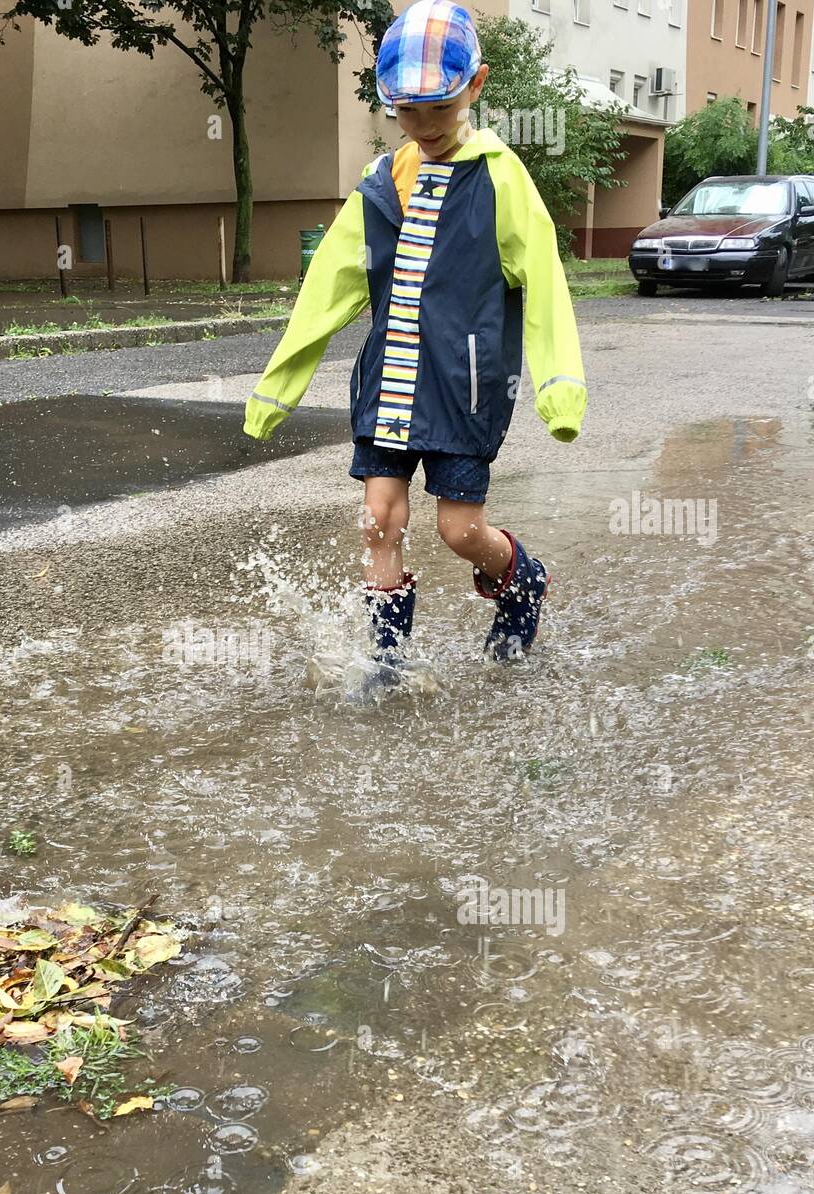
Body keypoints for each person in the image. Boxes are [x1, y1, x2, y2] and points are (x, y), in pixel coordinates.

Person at [243, 0, 586, 683]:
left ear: (475, 86)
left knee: (458, 531)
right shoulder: (379, 184)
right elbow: (329, 288)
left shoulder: (500, 178)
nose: (424, 127)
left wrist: (558, 387)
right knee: (379, 519)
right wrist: (278, 385)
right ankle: (387, 660)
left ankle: (523, 577)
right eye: (407, 112)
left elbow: (544, 282)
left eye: (439, 109)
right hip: (390, 382)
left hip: (465, 389)